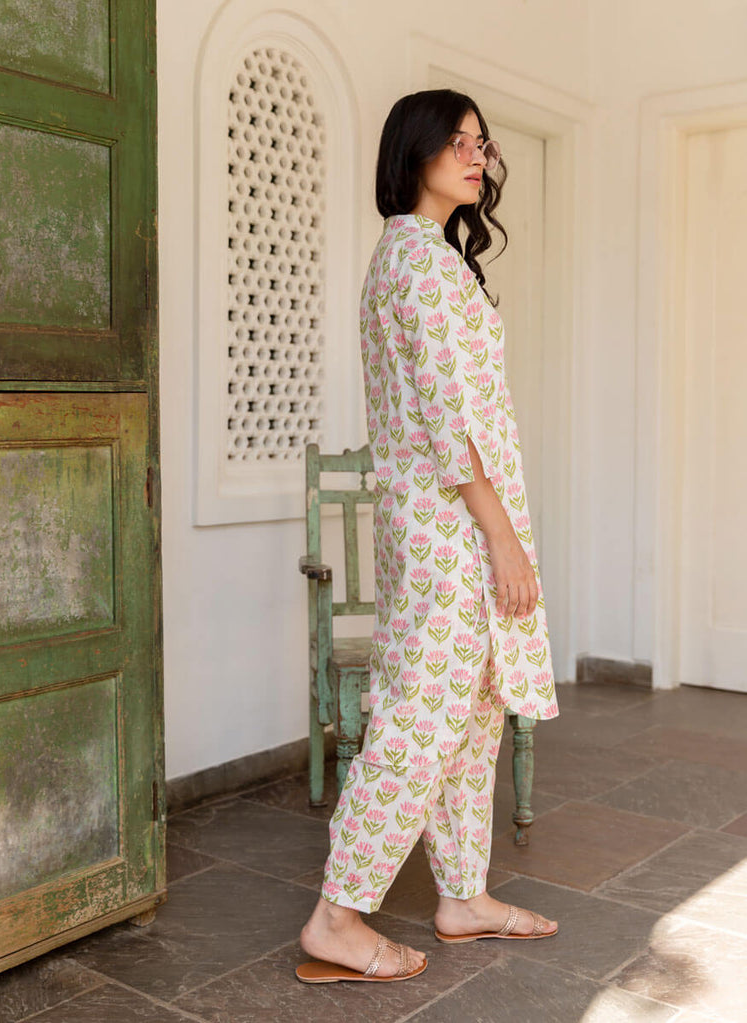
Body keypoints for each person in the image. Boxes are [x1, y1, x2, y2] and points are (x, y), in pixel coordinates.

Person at [296, 88, 560, 985]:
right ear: (413, 152)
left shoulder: (423, 258)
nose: (477, 156)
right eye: (458, 142)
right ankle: (337, 913)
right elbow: (452, 421)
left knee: (472, 711)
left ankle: (461, 894)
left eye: (482, 143)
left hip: (441, 522)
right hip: (454, 528)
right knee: (421, 719)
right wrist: (502, 537)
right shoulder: (418, 264)